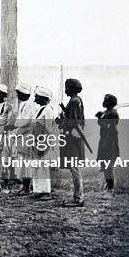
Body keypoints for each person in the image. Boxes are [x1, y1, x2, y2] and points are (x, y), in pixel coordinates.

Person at [57, 78, 85, 207]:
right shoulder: (75, 101)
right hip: (74, 138)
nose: (65, 89)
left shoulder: (74, 101)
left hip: (73, 139)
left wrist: (61, 121)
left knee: (74, 168)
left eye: (67, 87)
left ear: (72, 89)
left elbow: (73, 121)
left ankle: (78, 198)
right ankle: (77, 196)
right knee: (74, 167)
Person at [30, 86, 59, 201]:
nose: (35, 98)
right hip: (36, 141)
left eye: (37, 96)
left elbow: (48, 129)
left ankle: (46, 191)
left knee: (43, 166)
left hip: (43, 142)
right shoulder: (39, 110)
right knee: (36, 166)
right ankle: (38, 190)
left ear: (43, 98)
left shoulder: (48, 110)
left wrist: (44, 145)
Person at [11, 83, 38, 195]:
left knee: (26, 163)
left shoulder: (29, 105)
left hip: (26, 135)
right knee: (21, 162)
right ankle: (24, 186)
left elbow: (26, 121)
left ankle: (27, 188)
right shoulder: (22, 105)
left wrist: (17, 125)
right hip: (22, 135)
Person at [96, 94, 120, 193]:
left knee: (108, 164)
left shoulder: (113, 113)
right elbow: (102, 124)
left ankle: (110, 186)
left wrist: (101, 117)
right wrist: (100, 117)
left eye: (106, 100)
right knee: (104, 163)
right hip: (104, 140)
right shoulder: (107, 112)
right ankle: (108, 184)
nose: (104, 102)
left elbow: (109, 127)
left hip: (110, 141)